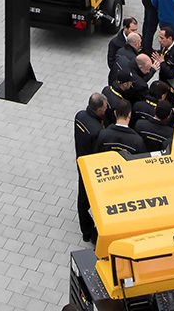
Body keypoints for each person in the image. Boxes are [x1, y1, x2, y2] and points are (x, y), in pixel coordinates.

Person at [73, 93, 110, 241]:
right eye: (105, 107)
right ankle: (89, 232)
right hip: (91, 168)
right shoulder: (97, 131)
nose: (107, 109)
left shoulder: (80, 116)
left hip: (80, 161)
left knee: (82, 197)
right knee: (87, 199)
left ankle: (86, 230)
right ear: (99, 110)